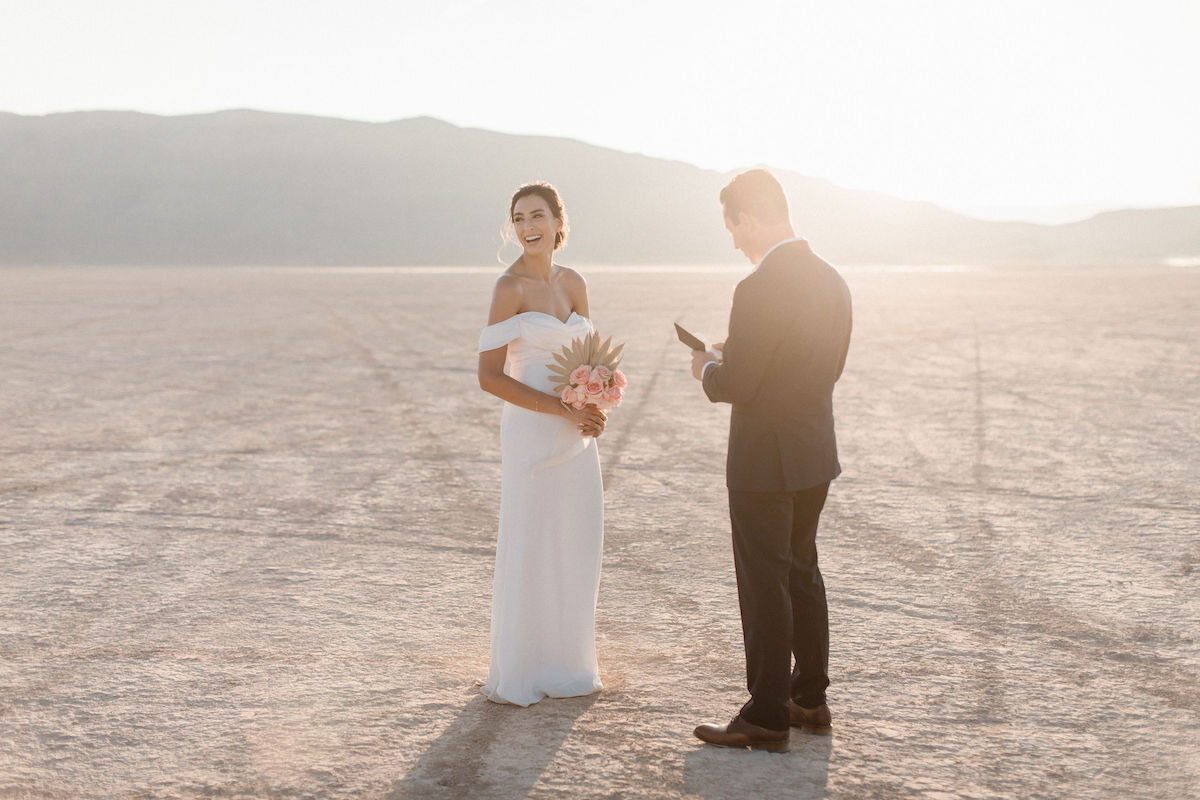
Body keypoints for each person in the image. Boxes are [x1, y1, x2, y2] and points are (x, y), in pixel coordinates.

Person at [690, 169, 852, 752]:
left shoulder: (756, 288)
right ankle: (809, 699)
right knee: (802, 573)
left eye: (733, 226)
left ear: (750, 218)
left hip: (764, 460)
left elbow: (739, 384)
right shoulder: (833, 281)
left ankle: (765, 714)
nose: (734, 239)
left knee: (764, 584)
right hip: (813, 452)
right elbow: (819, 364)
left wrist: (707, 369)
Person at [476, 181, 608, 706]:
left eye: (536, 215)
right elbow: (489, 376)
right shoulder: (508, 288)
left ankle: (569, 663)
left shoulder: (574, 282)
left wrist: (597, 407)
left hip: (577, 433)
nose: (527, 226)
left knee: (575, 538)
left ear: (558, 222)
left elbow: (589, 359)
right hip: (532, 431)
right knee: (532, 539)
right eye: (518, 218)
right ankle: (524, 667)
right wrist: (559, 407)